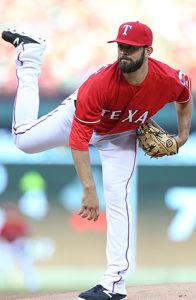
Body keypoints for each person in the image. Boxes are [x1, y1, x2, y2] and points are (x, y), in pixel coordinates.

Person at [1, 21, 193, 300]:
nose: (123, 52)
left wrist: (183, 136)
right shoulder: (100, 84)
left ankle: (114, 283)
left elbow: (185, 98)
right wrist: (89, 188)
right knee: (23, 141)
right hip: (78, 120)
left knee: (119, 199)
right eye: (120, 46)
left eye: (131, 48)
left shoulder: (169, 79)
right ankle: (31, 55)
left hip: (122, 136)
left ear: (148, 51)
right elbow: (79, 140)